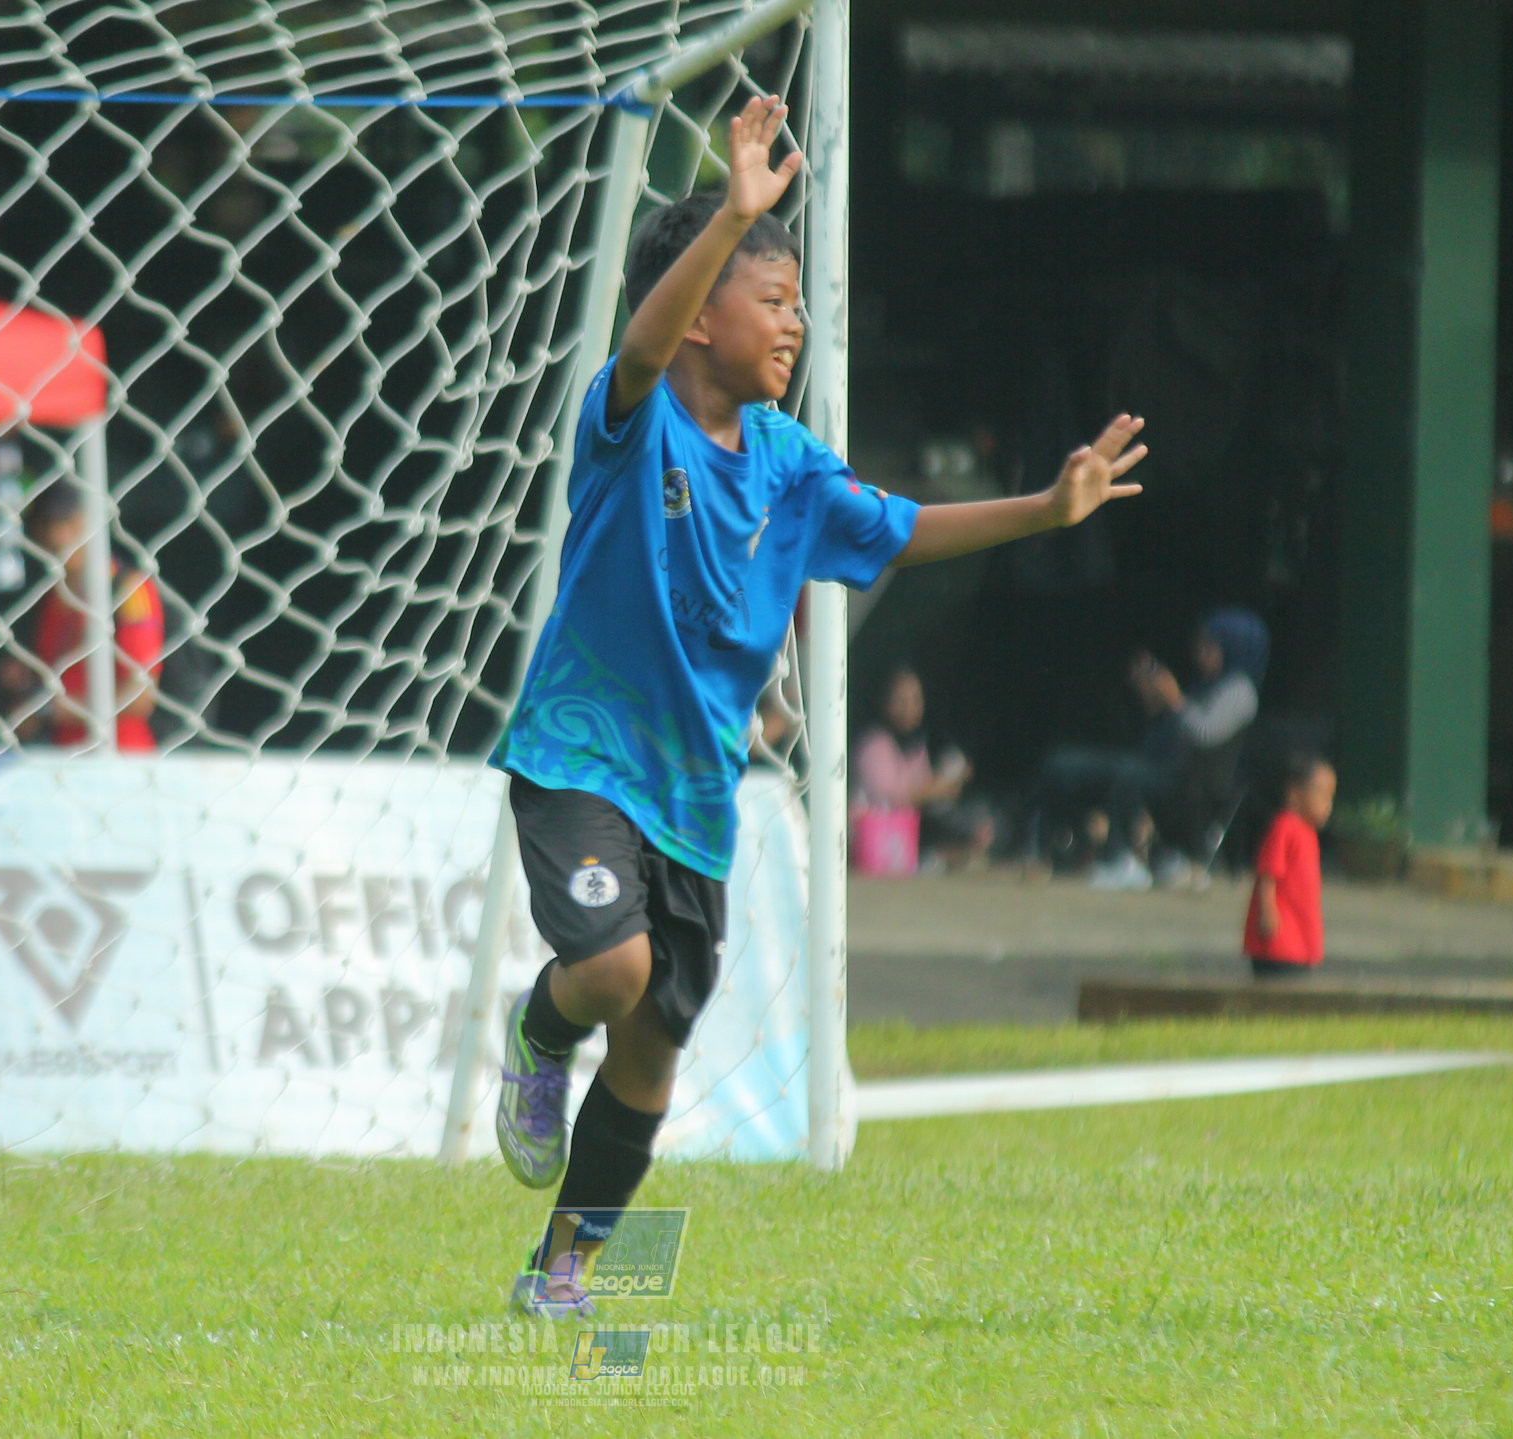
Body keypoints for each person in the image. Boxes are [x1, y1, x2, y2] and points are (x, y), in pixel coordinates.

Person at [488, 95, 1147, 1318]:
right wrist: (732, 207)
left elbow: (897, 528)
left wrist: (1042, 511)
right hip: (582, 755)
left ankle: (562, 1270)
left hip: (694, 798)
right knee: (612, 969)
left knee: (651, 1046)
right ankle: (535, 1034)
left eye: (795, 302)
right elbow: (636, 349)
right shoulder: (635, 422)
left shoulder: (790, 461)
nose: (794, 323)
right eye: (771, 300)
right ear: (700, 322)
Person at [1035, 605, 1267, 887]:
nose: (1200, 653)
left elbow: (1204, 734)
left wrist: (1175, 700)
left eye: (1210, 647)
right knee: (1064, 765)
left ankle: (1121, 860)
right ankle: (1048, 851)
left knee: (1128, 776)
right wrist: (1152, 693)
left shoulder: (1240, 691)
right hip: (1159, 767)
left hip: (1195, 784)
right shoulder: (1205, 684)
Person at [5, 485, 164, 751]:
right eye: (47, 526)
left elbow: (139, 698)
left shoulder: (129, 589)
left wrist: (48, 711)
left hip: (121, 755)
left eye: (68, 523)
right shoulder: (53, 596)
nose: (58, 536)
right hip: (62, 756)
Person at [852, 665, 992, 872]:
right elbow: (894, 797)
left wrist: (953, 781)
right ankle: (939, 857)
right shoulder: (873, 743)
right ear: (885, 702)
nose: (908, 708)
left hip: (909, 823)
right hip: (876, 832)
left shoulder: (916, 745)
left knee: (978, 817)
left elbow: (927, 789)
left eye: (915, 700)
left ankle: (951, 855)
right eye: (900, 700)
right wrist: (942, 786)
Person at [1244, 753, 1335, 979]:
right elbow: (1268, 873)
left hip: (1300, 941)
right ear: (1295, 793)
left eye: (1331, 797)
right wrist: (1267, 911)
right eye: (1321, 794)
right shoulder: (1284, 827)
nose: (1328, 804)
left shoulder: (1307, 833)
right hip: (1280, 941)